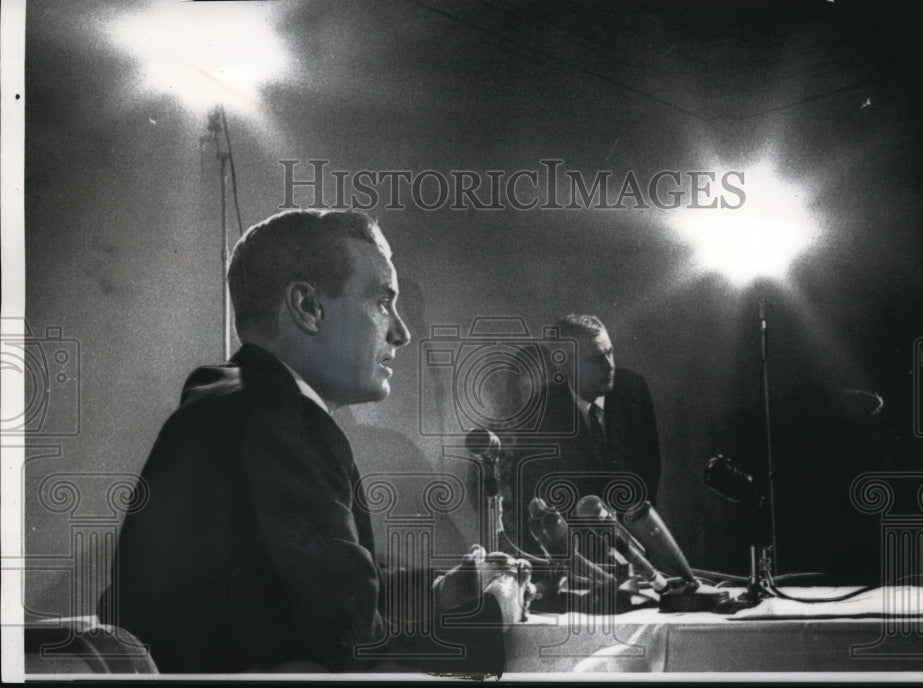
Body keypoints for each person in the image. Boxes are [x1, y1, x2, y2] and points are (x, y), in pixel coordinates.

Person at [98, 209, 527, 673]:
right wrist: (496, 610)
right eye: (383, 302)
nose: (401, 333)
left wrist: (439, 594)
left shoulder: (229, 398)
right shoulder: (284, 423)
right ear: (307, 306)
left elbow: (316, 594)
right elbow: (361, 660)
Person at [511, 314, 662, 549]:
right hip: (578, 552)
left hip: (637, 543)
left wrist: (641, 534)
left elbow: (650, 467)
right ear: (564, 364)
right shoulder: (540, 413)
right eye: (596, 359)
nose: (609, 366)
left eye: (610, 353)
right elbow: (530, 497)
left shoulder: (633, 389)